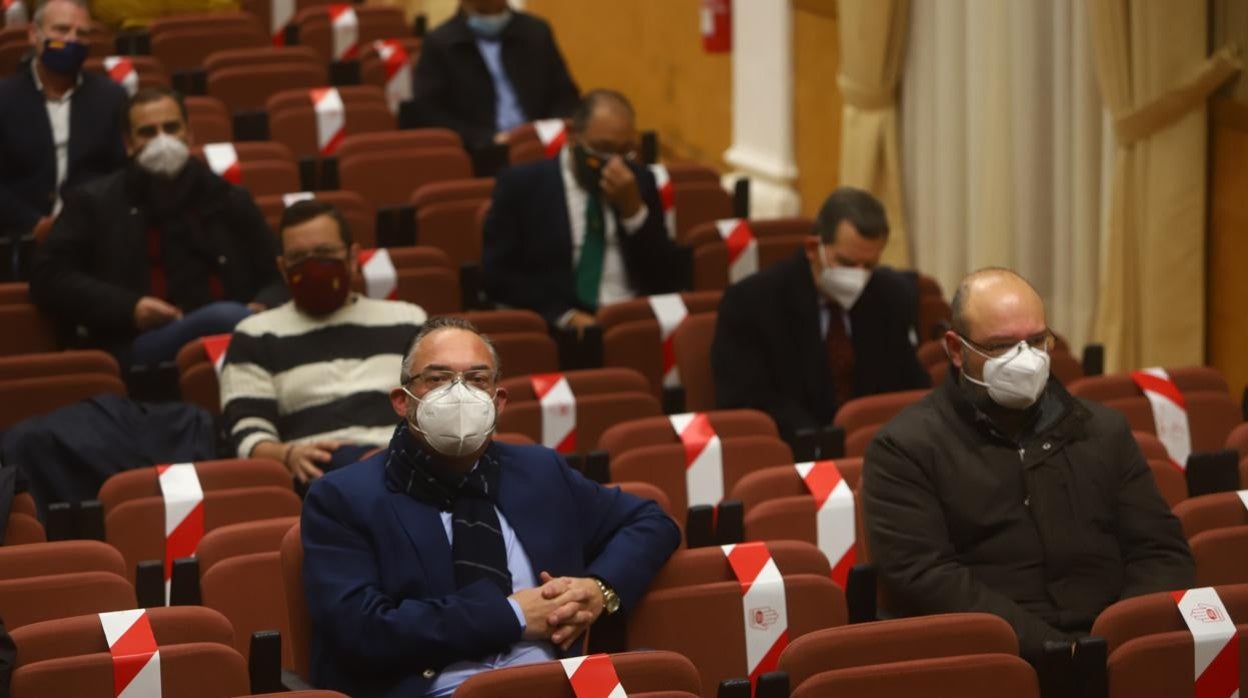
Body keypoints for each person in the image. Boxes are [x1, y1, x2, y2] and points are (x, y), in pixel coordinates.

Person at [301, 316, 681, 697]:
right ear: (402, 401)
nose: (459, 394)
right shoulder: (343, 498)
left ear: (498, 401)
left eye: (477, 380)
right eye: (437, 379)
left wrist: (601, 590)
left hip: (558, 684)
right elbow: (363, 631)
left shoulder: (539, 471)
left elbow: (651, 521)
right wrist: (513, 617)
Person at [862, 268, 1194, 661]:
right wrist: (1059, 651)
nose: (1027, 360)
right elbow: (925, 578)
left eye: (1037, 341)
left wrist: (1120, 637)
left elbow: (1160, 551)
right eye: (1002, 346)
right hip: (994, 658)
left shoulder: (1103, 429)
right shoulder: (903, 447)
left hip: (1114, 649)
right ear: (955, 349)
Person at [30, 86, 284, 367]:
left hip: (236, 336)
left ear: (189, 134)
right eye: (148, 132)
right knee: (226, 318)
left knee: (233, 320)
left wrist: (261, 306)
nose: (162, 140)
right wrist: (130, 307)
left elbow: (276, 273)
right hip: (141, 347)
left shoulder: (228, 197)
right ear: (128, 143)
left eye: (171, 128)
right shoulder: (93, 203)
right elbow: (48, 276)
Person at [220, 200, 427, 484]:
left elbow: (435, 406)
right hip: (320, 475)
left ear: (353, 257)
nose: (313, 267)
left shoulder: (408, 320)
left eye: (324, 253)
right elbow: (248, 434)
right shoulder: (254, 334)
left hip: (408, 463)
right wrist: (288, 455)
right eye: (299, 257)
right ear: (283, 268)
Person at [711, 187, 929, 446]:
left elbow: (908, 388)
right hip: (790, 449)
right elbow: (747, 401)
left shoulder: (891, 297)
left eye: (869, 266)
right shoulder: (752, 303)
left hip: (875, 449)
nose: (858, 277)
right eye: (846, 263)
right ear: (813, 248)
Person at [481, 89, 685, 329]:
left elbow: (667, 278)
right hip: (562, 324)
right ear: (573, 138)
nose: (615, 163)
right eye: (603, 148)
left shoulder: (640, 181)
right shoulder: (522, 185)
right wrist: (563, 316)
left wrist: (634, 212)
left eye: (625, 151)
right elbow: (498, 276)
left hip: (631, 319)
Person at [0, 0, 126, 255]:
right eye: (61, 30)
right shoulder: (4, 98)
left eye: (82, 34)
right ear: (34, 35)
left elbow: (120, 173)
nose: (71, 40)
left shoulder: (111, 97)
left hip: (93, 235)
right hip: (17, 235)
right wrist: (33, 224)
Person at [410, 0, 580, 175]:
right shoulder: (439, 43)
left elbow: (565, 95)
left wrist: (546, 131)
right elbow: (429, 112)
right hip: (478, 153)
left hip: (541, 144)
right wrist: (486, 138)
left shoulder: (536, 32)